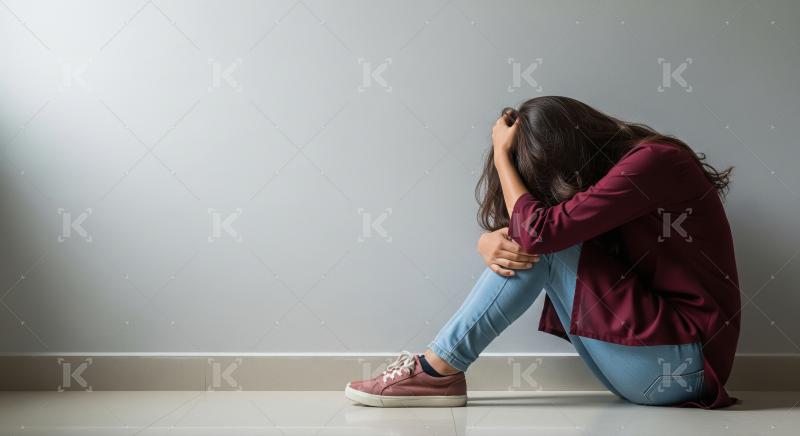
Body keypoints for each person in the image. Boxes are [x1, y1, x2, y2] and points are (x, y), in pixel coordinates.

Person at [345, 96, 740, 409]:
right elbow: (536, 230)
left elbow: (541, 235)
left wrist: (503, 156)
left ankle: (435, 371)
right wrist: (488, 240)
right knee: (540, 241)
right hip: (654, 370)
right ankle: (436, 371)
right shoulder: (619, 180)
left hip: (683, 367)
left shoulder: (656, 162)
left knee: (544, 243)